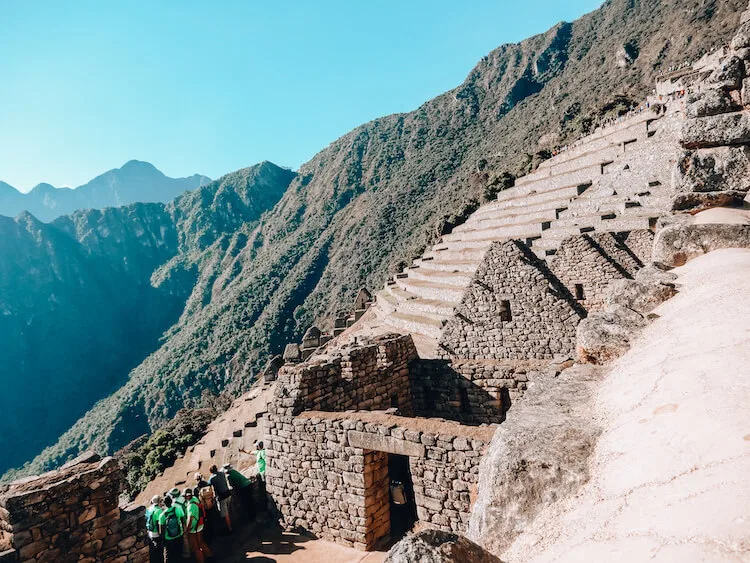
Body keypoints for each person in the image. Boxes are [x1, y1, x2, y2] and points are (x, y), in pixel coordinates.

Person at [184, 488, 213, 563]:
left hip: (194, 529)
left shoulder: (191, 505)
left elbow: (190, 519)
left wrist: (187, 530)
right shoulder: (195, 499)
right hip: (200, 524)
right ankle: (210, 557)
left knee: (196, 548)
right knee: (201, 543)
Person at [158, 496, 184, 563]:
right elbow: (182, 520)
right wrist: (183, 531)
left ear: (164, 503)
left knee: (169, 557)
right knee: (179, 554)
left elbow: (161, 530)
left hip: (168, 539)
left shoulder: (162, 515)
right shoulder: (177, 510)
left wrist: (163, 540)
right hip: (179, 535)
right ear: (171, 501)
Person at [209, 464, 233, 533]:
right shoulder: (222, 473)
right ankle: (231, 524)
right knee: (228, 511)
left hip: (222, 497)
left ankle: (230, 529)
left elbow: (208, 484)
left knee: (226, 514)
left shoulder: (212, 478)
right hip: (228, 494)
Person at [145, 495, 164, 563]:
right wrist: (161, 534)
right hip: (157, 533)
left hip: (151, 533)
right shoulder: (158, 510)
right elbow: (158, 523)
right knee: (160, 551)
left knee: (154, 550)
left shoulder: (149, 509)